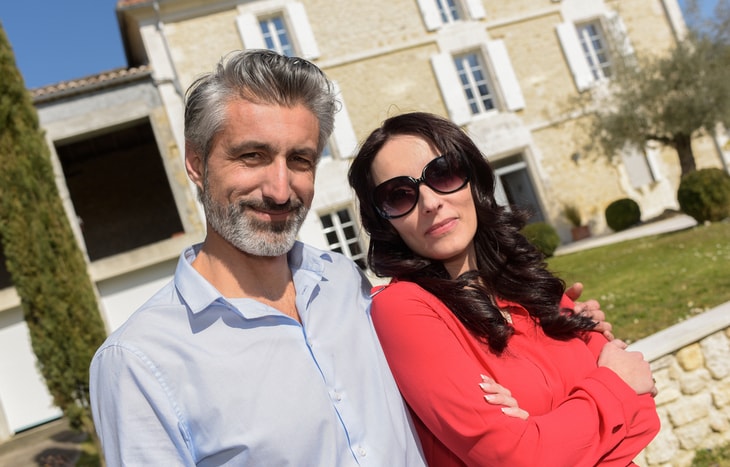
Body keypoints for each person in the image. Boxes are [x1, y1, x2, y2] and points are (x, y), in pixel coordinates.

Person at [89, 49, 428, 466]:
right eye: (253, 156)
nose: (281, 190)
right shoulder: (138, 363)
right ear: (196, 164)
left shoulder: (342, 282)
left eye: (300, 160)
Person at [347, 111, 660, 466]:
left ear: (472, 179)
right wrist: (613, 387)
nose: (430, 202)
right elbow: (519, 458)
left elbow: (645, 408)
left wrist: (544, 432)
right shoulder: (403, 309)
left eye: (442, 173)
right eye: (399, 195)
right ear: (384, 221)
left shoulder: (526, 282)